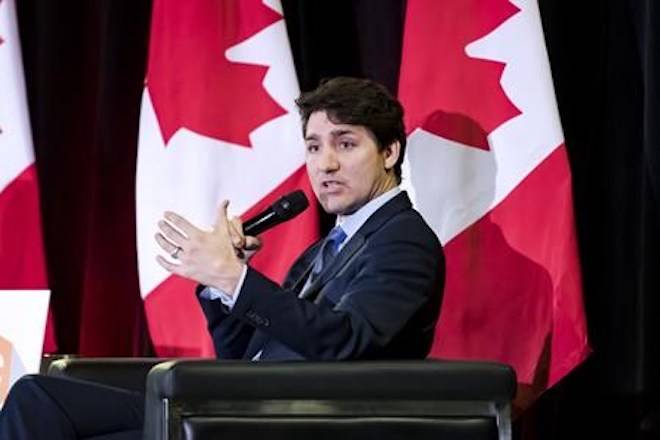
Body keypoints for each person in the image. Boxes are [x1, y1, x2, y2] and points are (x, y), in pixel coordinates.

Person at [0, 77, 444, 439]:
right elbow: (243, 358)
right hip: (239, 407)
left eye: (345, 144)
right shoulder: (328, 247)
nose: (325, 164)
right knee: (36, 396)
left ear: (390, 152)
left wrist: (235, 280)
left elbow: (348, 342)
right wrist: (222, 284)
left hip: (292, 422)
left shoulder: (403, 241)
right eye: (313, 146)